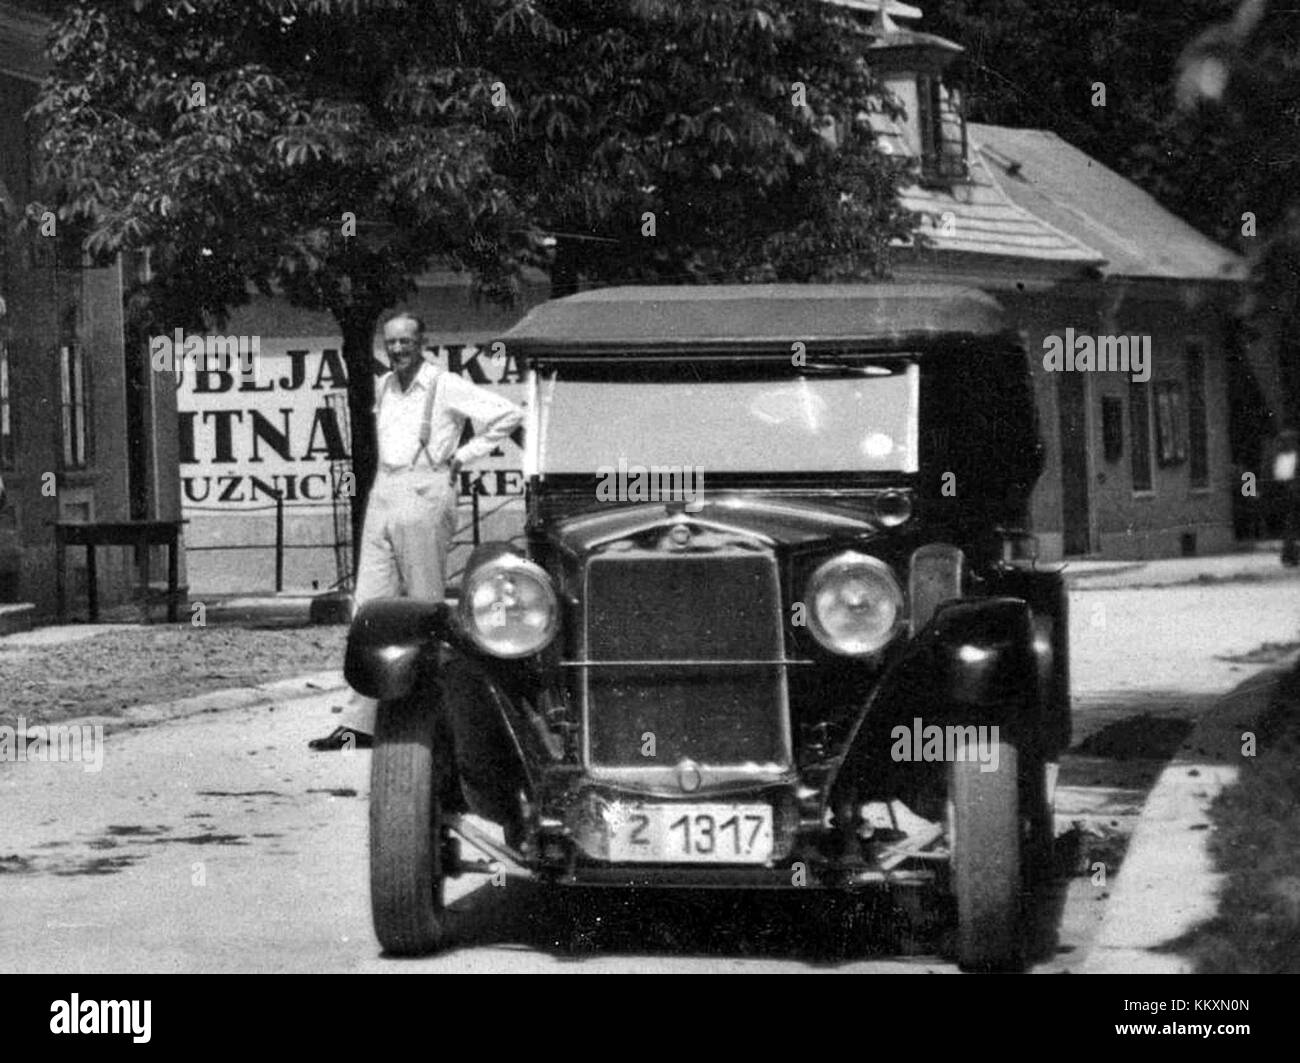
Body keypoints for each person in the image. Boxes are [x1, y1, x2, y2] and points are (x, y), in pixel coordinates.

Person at [309, 312, 524, 750]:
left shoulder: (443, 384)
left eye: (406, 342)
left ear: (422, 342)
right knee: (369, 606)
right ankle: (359, 722)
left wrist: (464, 455)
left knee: (424, 605)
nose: (398, 350)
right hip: (385, 489)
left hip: (426, 485)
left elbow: (506, 414)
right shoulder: (386, 385)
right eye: (391, 343)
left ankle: (435, 720)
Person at [1273, 428, 1299, 567]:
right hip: (1291, 497)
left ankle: (1289, 556)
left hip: (1290, 496)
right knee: (1290, 527)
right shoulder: (1288, 458)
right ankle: (1290, 556)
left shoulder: (1285, 458)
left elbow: (1280, 477)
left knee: (1290, 527)